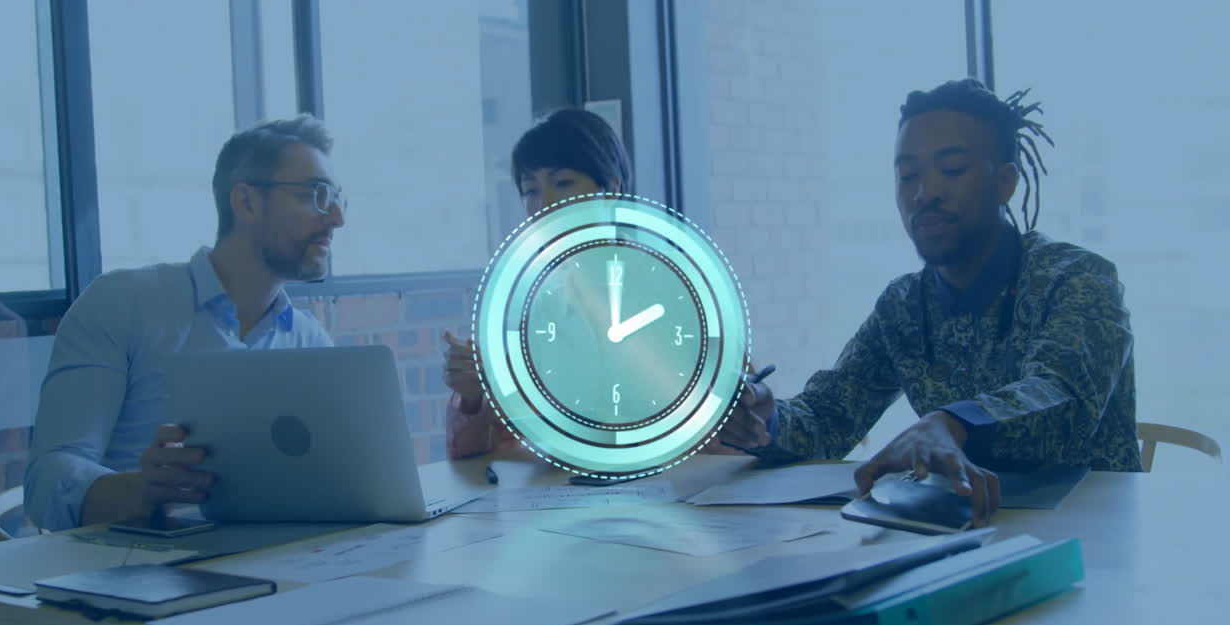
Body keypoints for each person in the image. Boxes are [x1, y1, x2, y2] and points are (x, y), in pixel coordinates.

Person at [23, 114, 344, 625]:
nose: (336, 218)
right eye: (315, 196)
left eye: (336, 199)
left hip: (261, 593)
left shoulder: (311, 344)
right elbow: (47, 480)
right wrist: (137, 491)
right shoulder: (123, 302)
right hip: (122, 611)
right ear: (245, 200)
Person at [717, 79, 1141, 527]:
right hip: (957, 532)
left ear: (1005, 182)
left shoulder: (1078, 277)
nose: (925, 193)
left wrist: (950, 424)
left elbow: (1062, 403)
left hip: (1094, 538)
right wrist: (768, 419)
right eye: (907, 176)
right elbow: (829, 416)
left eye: (953, 169)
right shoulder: (903, 305)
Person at [442, 108, 740, 460]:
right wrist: (473, 395)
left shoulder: (680, 290)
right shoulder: (534, 308)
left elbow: (744, 426)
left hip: (678, 496)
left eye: (564, 183)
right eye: (530, 190)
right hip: (567, 501)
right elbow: (475, 451)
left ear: (610, 189)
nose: (545, 204)